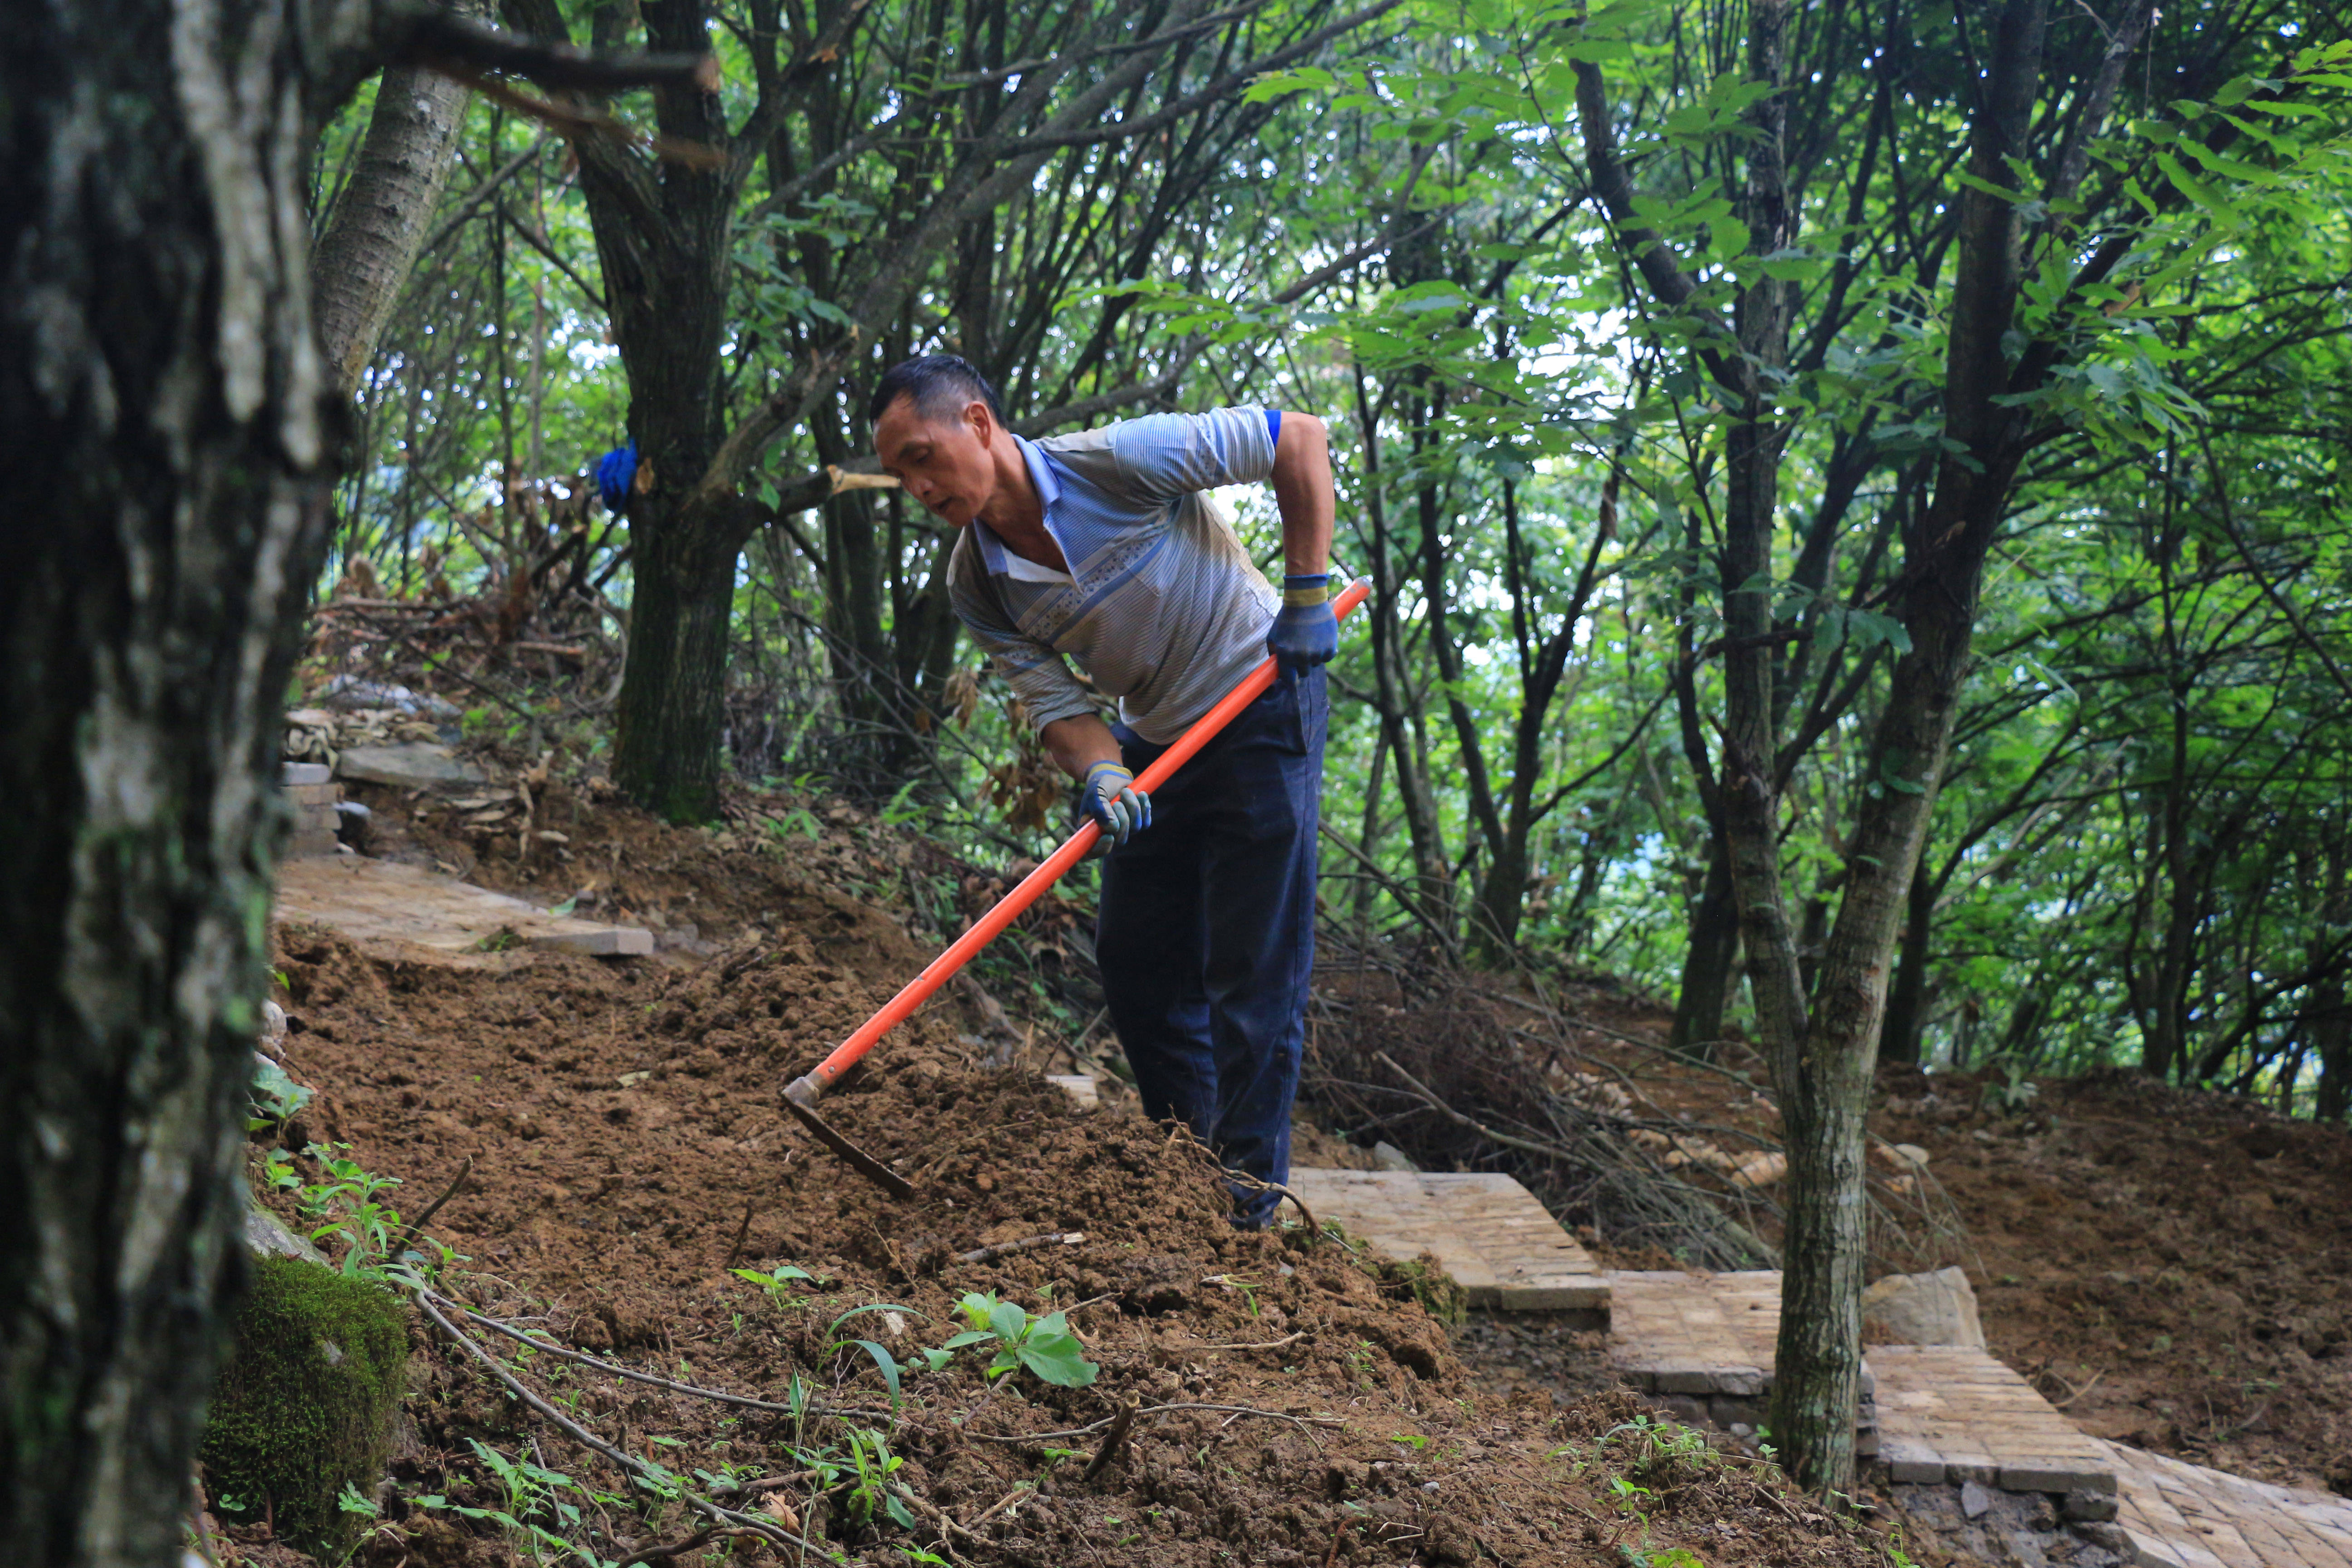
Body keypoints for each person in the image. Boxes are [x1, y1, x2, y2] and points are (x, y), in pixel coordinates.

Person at [868, 354, 1338, 1226]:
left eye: (922, 456)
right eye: (900, 474)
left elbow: (1297, 439)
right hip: (1157, 741)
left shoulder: (1116, 460)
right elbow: (1056, 704)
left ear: (977, 423)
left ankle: (1248, 1201)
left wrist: (1308, 589)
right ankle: (1185, 1171)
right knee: (1135, 962)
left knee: (1252, 969)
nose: (916, 487)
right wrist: (1101, 769)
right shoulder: (977, 582)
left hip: (1259, 700)